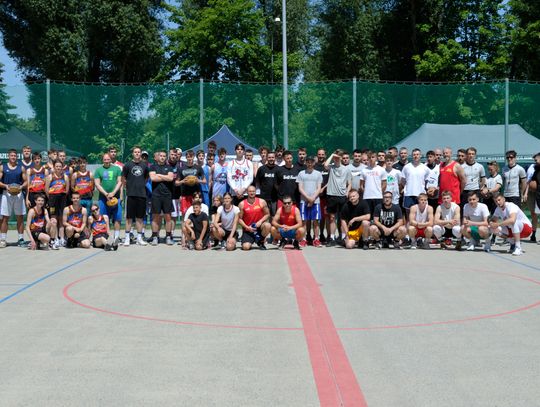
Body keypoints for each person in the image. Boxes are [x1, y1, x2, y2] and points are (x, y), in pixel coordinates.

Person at [122, 146, 150, 246]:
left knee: (140, 218)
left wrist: (140, 185)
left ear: (141, 153)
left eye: (139, 152)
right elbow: (123, 178)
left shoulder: (145, 166)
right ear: (132, 153)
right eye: (135, 152)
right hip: (131, 195)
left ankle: (139, 238)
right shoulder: (127, 165)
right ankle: (127, 238)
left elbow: (146, 178)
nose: (137, 153)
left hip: (142, 195)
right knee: (129, 218)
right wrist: (128, 187)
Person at [323, 149, 352, 246]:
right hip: (331, 195)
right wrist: (332, 155)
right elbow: (325, 165)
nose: (336, 159)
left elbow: (349, 183)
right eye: (335, 157)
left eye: (338, 157)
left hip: (342, 196)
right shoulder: (331, 167)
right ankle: (331, 237)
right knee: (332, 218)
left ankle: (344, 237)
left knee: (343, 218)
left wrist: (347, 192)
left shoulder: (346, 169)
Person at [0, 149, 28, 248]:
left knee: (20, 217)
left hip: (19, 194)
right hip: (6, 194)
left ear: (17, 157)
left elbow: (26, 182)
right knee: (5, 217)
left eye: (15, 156)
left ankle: (20, 239)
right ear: (8, 156)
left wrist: (21, 187)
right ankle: (3, 239)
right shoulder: (2, 167)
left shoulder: (21, 168)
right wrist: (5, 186)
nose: (13, 157)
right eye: (11, 155)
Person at [94, 153, 123, 244]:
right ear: (102, 160)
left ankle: (116, 237)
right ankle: (104, 237)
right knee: (103, 218)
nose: (106, 161)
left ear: (111, 159)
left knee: (117, 218)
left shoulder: (117, 169)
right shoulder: (98, 170)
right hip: (103, 198)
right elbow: (97, 184)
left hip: (116, 197)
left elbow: (120, 182)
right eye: (105, 159)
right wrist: (106, 194)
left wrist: (113, 193)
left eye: (108, 159)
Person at [149, 150, 174, 246]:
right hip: (156, 195)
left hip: (167, 195)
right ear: (158, 157)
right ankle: (155, 237)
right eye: (161, 156)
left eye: (164, 156)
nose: (162, 157)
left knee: (168, 217)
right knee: (155, 217)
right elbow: (153, 178)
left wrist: (159, 175)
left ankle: (168, 237)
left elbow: (171, 178)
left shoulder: (169, 167)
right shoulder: (153, 167)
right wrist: (165, 177)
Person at [296, 156, 323, 247]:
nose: (310, 164)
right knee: (304, 221)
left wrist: (313, 198)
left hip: (316, 201)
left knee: (315, 221)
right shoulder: (301, 173)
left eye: (311, 162)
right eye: (308, 162)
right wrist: (308, 198)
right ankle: (303, 239)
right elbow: (300, 188)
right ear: (305, 163)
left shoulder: (318, 174)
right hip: (304, 201)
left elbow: (319, 188)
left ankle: (316, 239)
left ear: (314, 163)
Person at [238, 185, 271, 250]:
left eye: (253, 191)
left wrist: (260, 222)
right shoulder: (242, 204)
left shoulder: (262, 202)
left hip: (259, 227)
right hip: (248, 229)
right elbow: (239, 219)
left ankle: (261, 241)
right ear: (247, 192)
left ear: (256, 192)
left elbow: (267, 214)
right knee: (246, 247)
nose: (252, 193)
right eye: (250, 191)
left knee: (267, 225)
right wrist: (247, 227)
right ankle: (250, 240)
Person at [400, 148, 430, 216]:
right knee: (408, 215)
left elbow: (426, 181)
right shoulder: (406, 167)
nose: (416, 156)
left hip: (420, 195)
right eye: (414, 155)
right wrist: (408, 187)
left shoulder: (425, 168)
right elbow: (403, 180)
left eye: (417, 154)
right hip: (409, 194)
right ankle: (408, 226)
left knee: (421, 214)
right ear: (411, 156)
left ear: (420, 156)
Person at [359, 151, 387, 216]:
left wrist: (379, 191)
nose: (371, 159)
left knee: (378, 216)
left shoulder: (381, 170)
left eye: (373, 157)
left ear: (376, 158)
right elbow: (361, 185)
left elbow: (384, 184)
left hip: (378, 196)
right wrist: (365, 192)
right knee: (368, 216)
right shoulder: (364, 170)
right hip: (367, 197)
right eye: (369, 157)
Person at [525, 152, 540, 242]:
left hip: (538, 193)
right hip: (535, 194)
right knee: (533, 214)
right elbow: (529, 181)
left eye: (536, 159)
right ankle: (533, 234)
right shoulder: (534, 168)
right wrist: (526, 193)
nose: (535, 161)